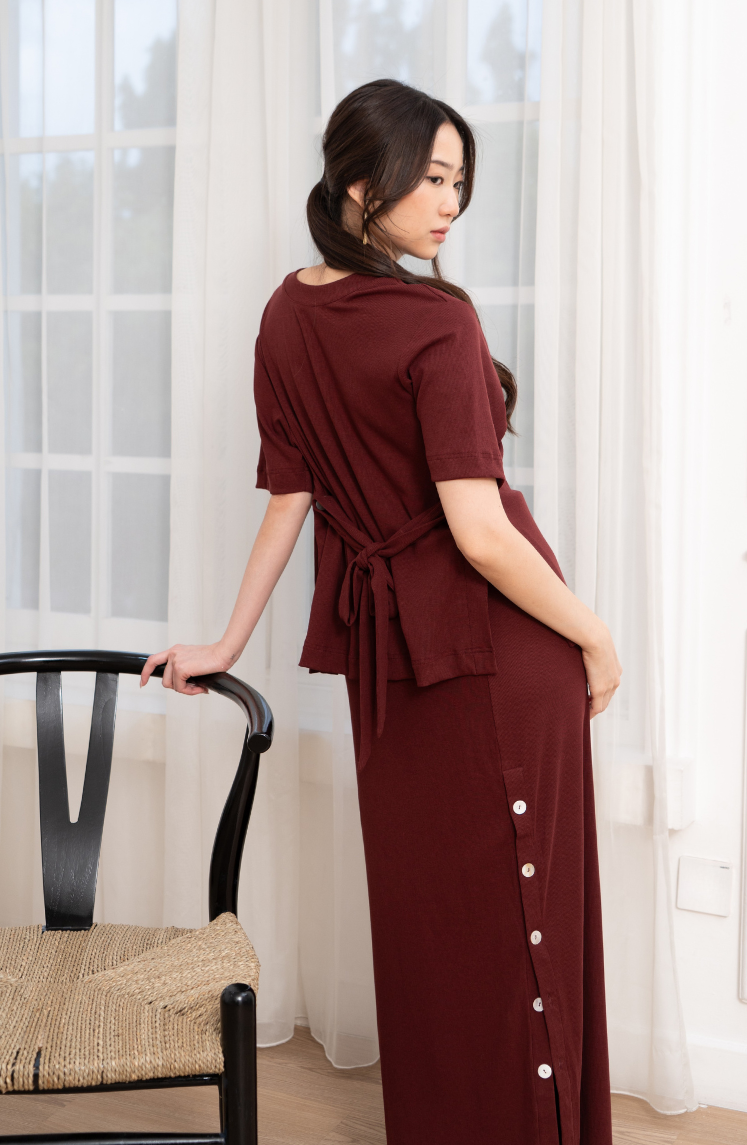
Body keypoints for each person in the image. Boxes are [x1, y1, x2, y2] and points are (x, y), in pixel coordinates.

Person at [142, 78, 620, 1145]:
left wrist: (226, 636)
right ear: (361, 181)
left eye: (459, 180)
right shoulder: (434, 320)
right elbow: (480, 530)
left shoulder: (286, 309)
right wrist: (592, 631)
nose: (449, 202)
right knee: (495, 922)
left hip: (392, 661)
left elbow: (289, 497)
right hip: (492, 651)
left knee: (438, 921)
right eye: (431, 178)